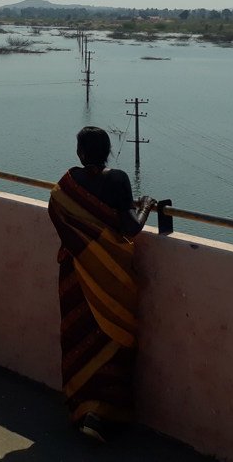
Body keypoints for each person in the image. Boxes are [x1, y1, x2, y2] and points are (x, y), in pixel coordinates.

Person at [47, 126, 156, 442]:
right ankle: (105, 415)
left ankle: (83, 409)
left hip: (77, 273)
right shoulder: (118, 180)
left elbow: (55, 212)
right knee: (113, 342)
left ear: (80, 153)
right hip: (114, 280)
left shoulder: (66, 184)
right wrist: (146, 204)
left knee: (80, 336)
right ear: (108, 151)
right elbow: (130, 229)